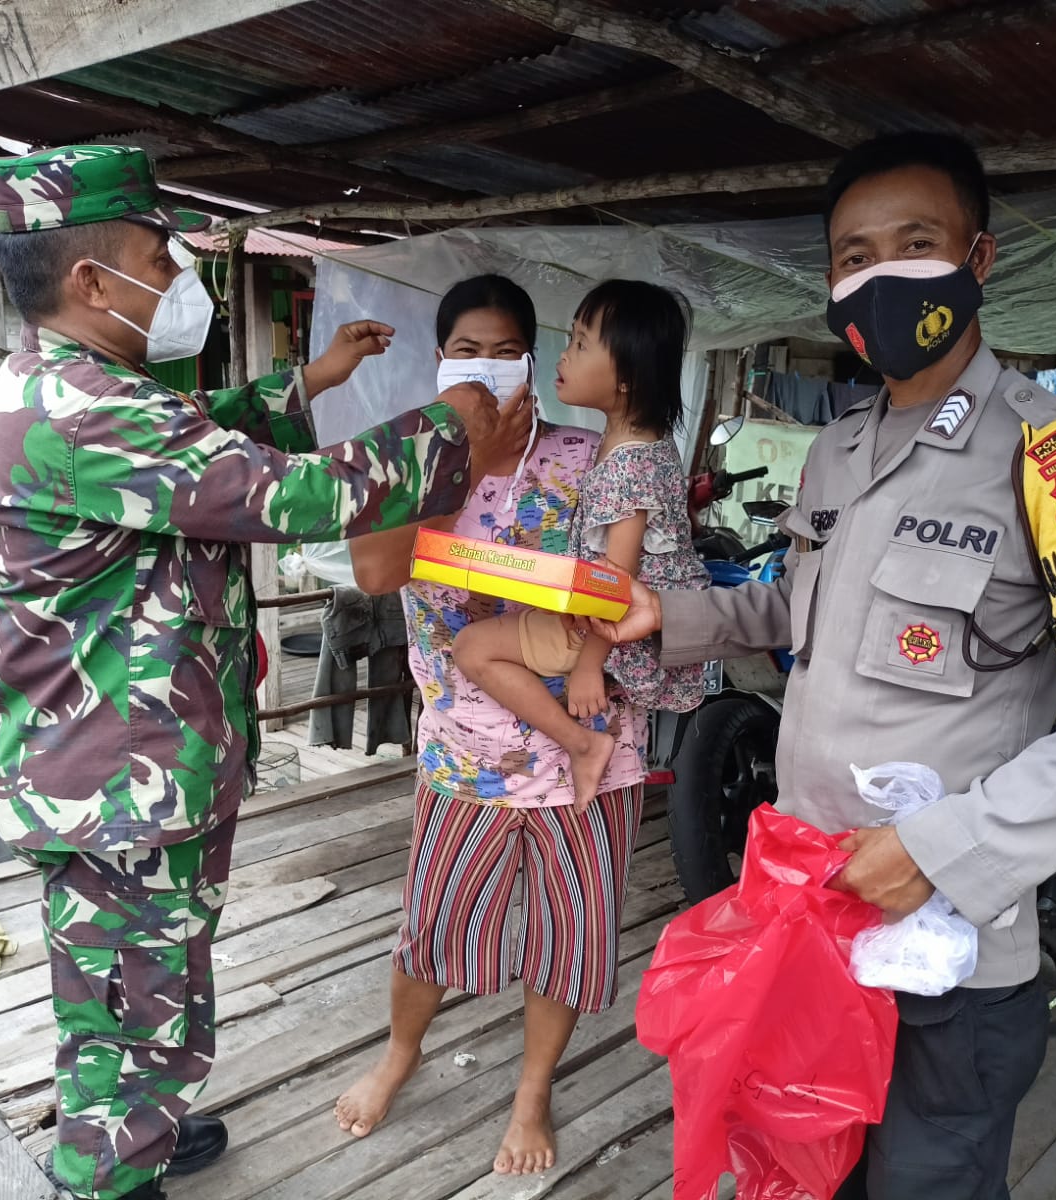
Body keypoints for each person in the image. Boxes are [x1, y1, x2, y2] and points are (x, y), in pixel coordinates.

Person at [590, 132, 1056, 1200]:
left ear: (979, 260)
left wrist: (941, 845)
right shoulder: (836, 448)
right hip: (810, 920)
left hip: (945, 958)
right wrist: (664, 615)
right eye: (853, 255)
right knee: (801, 1174)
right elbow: (798, 607)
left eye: (916, 243)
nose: (881, 275)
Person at [0, 146, 528, 1200]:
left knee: (128, 983)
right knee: (141, 996)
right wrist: (452, 429)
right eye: (155, 255)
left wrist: (306, 384)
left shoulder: (75, 385)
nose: (174, 274)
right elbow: (298, 499)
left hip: (116, 770)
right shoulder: (87, 407)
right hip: (118, 784)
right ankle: (109, 1171)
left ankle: (133, 1119)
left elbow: (201, 439)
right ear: (91, 280)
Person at [336, 275, 650, 1176]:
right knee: (433, 926)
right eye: (465, 349)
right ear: (438, 361)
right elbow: (373, 573)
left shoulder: (590, 457)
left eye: (504, 347)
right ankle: (400, 1052)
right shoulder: (404, 458)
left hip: (583, 751)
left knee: (564, 934)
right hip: (462, 754)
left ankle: (532, 1090)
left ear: (534, 360)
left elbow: (625, 588)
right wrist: (463, 459)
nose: (485, 364)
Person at [452, 280, 708, 809]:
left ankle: (583, 744)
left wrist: (590, 663)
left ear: (627, 378)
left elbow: (616, 585)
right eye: (569, 339)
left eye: (581, 344)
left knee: (471, 648)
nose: (564, 355)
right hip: (602, 619)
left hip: (608, 631)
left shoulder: (628, 463)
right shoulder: (635, 442)